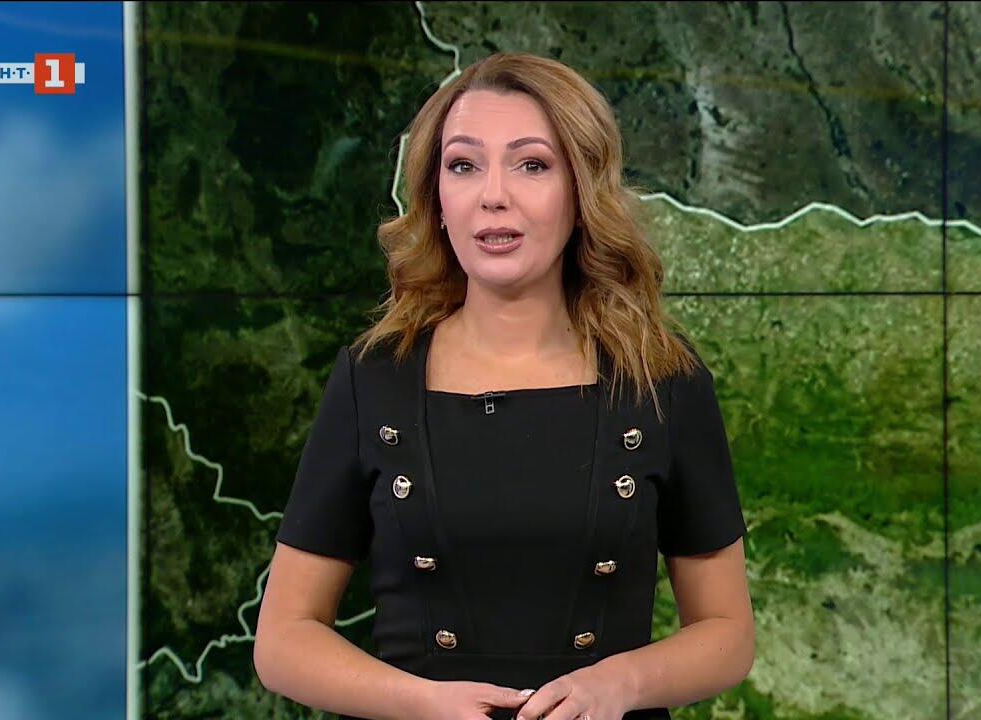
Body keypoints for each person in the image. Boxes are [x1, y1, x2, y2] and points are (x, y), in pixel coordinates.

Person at [253, 52, 755, 720]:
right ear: (437, 198)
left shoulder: (660, 379)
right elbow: (283, 640)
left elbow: (727, 632)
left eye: (531, 165)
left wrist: (619, 684)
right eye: (464, 165)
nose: (493, 194)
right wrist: (422, 704)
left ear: (581, 192)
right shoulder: (372, 380)